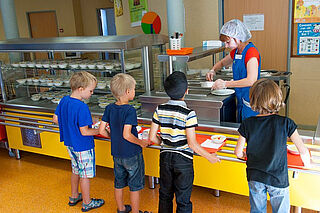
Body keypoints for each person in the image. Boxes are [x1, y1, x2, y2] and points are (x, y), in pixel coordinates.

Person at [234, 79, 311, 213]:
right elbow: (302, 150)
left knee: (257, 210)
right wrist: (308, 165)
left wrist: (244, 155)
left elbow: (238, 152)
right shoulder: (286, 123)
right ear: (278, 98)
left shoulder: (247, 123)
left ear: (253, 100)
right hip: (278, 179)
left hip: (255, 177)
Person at [149, 71, 221, 213]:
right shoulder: (189, 113)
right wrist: (210, 157)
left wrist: (164, 143)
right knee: (183, 200)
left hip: (165, 158)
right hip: (183, 161)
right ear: (186, 91)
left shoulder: (159, 109)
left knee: (165, 195)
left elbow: (152, 138)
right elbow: (192, 144)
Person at [53, 71, 105, 212]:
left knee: (75, 170)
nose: (92, 93)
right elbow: (85, 132)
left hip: (70, 143)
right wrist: (100, 130)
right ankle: (87, 202)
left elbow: (56, 119)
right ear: (81, 89)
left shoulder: (64, 100)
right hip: (83, 145)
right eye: (91, 90)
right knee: (85, 175)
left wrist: (71, 126)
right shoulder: (82, 107)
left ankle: (74, 196)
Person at [98, 73, 150, 213]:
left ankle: (121, 208)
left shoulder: (109, 108)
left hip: (116, 153)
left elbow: (101, 130)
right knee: (135, 184)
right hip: (131, 153)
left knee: (119, 182)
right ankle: (135, 211)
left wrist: (113, 138)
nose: (134, 91)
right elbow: (127, 135)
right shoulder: (130, 110)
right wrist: (141, 143)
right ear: (128, 92)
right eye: (133, 89)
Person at [206, 19, 261, 122]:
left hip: (251, 103)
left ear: (238, 38)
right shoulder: (236, 52)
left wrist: (225, 84)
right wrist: (213, 69)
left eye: (228, 42)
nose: (226, 46)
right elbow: (222, 63)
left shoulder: (251, 52)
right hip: (241, 100)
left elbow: (251, 80)